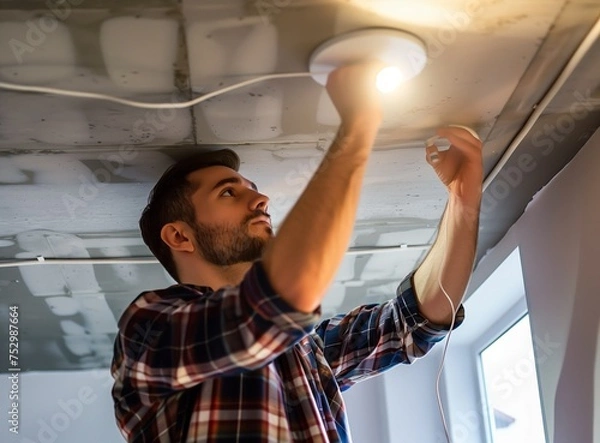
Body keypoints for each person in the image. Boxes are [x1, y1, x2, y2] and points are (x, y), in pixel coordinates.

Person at [111, 63, 483, 442]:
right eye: (228, 192)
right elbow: (271, 306)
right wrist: (358, 124)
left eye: (251, 188)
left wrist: (464, 199)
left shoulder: (306, 350)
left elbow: (420, 319)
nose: (261, 199)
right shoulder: (150, 331)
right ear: (179, 236)